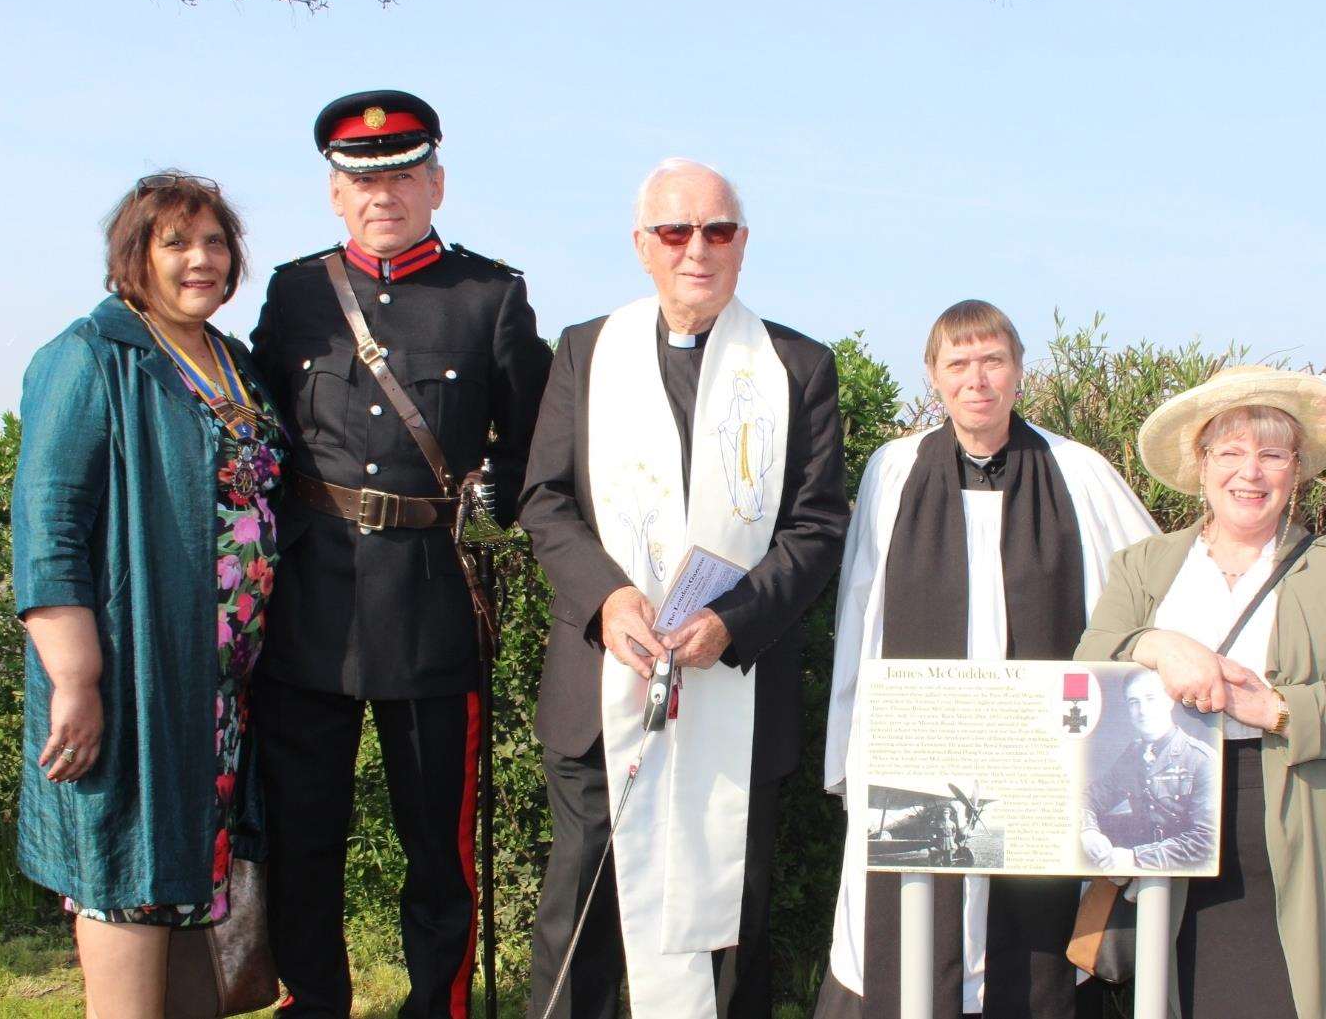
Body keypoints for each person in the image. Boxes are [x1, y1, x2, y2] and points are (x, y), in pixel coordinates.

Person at [521, 158, 850, 1019]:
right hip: (604, 684)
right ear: (642, 245)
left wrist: (731, 620)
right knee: (583, 912)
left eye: (717, 230)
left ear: (742, 243)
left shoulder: (797, 366)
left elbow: (816, 525)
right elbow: (545, 499)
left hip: (729, 680)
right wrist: (605, 596)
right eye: (675, 231)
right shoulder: (585, 351)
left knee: (728, 917)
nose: (695, 248)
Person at [249, 90, 552, 1018]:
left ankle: (438, 1004)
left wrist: (501, 480)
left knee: (437, 843)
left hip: (431, 602)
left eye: (403, 175)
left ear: (437, 184)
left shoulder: (488, 296)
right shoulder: (297, 294)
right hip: (310, 604)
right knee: (304, 835)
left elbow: (541, 438)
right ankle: (316, 1002)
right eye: (362, 178)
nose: (384, 193)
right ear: (335, 194)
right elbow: (258, 429)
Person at [817, 300, 1159, 1019]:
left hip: (1037, 758)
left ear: (1018, 370)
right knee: (910, 943)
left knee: (1027, 942)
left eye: (992, 360)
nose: (977, 379)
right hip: (917, 752)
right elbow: (859, 611)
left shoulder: (1077, 472)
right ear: (934, 376)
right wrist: (850, 748)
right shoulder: (894, 470)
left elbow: (1146, 590)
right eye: (959, 363)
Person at [12, 172, 283, 1016]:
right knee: (125, 870)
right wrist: (77, 680)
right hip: (132, 678)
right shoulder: (90, 356)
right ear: (135, 257)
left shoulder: (234, 362)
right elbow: (49, 526)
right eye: (176, 243)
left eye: (214, 242)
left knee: (194, 885)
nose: (200, 259)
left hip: (222, 691)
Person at [1075, 365, 1326, 1019]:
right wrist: (1157, 644)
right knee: (1195, 990)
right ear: (1201, 467)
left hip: (1314, 825)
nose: (1249, 472)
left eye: (1270, 454)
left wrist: (1276, 707)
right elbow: (1090, 661)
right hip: (1173, 823)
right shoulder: (1144, 565)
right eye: (1229, 452)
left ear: (1295, 469)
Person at [1079, 668, 1217, 871]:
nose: (1142, 710)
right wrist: (1088, 832)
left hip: (1189, 873)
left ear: (1169, 701)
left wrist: (1135, 858)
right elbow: (1089, 798)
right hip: (1141, 868)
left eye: (1151, 698)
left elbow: (1206, 840)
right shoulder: (1133, 754)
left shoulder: (1201, 759)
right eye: (1134, 702)